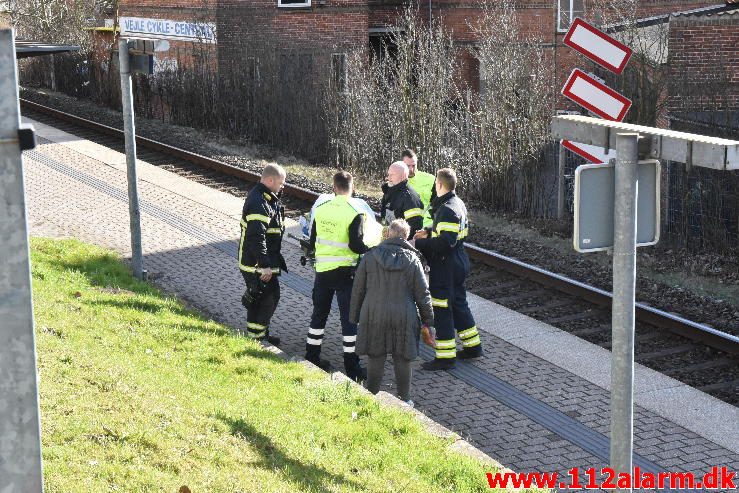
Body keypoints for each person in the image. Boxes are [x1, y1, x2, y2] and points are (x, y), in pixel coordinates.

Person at [350, 219, 434, 405]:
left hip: (374, 313)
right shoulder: (413, 260)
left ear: (387, 234)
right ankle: (405, 399)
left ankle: (371, 396)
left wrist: (354, 317)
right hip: (404, 315)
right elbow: (423, 294)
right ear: (406, 237)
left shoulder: (370, 257)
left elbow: (358, 289)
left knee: (376, 354)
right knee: (403, 357)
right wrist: (428, 321)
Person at [413, 168, 483, 370]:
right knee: (459, 304)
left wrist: (419, 245)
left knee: (442, 308)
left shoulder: (447, 209)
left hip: (446, 265)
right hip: (458, 261)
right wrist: (428, 232)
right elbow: (445, 232)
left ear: (439, 185)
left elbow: (445, 242)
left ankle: (445, 358)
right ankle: (473, 347)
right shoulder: (456, 203)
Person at [305, 171, 371, 381]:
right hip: (345, 274)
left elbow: (313, 239)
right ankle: (352, 368)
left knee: (319, 314)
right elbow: (355, 244)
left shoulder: (321, 209)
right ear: (352, 188)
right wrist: (371, 249)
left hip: (322, 271)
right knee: (349, 321)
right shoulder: (355, 212)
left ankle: (312, 356)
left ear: (333, 187)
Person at [238, 163, 287, 345]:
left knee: (263, 297)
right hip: (256, 264)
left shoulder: (266, 198)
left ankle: (260, 335)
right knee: (266, 299)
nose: (282, 187)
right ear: (270, 180)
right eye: (281, 183)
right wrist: (264, 265)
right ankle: (256, 339)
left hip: (261, 261)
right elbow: (256, 237)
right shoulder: (259, 202)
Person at [380, 161, 425, 238]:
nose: (389, 177)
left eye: (392, 175)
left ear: (403, 176)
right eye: (389, 174)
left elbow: (414, 228)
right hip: (388, 241)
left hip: (400, 244)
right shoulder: (390, 191)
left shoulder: (410, 198)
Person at [403, 149, 436, 228]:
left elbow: (439, 204)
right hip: (403, 228)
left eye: (414, 165)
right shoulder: (396, 181)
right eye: (408, 166)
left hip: (426, 227)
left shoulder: (430, 179)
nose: (411, 169)